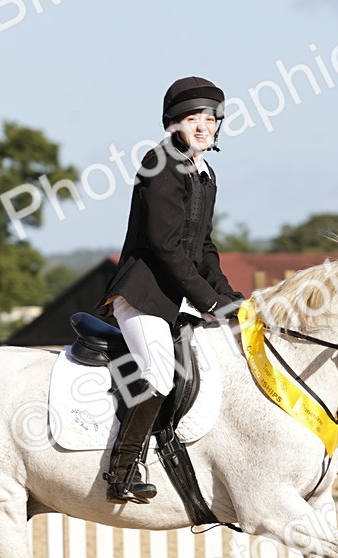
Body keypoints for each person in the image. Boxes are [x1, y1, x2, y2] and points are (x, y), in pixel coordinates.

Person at [100, 76, 244, 504]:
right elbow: (165, 246)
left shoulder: (205, 174)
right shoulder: (160, 163)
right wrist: (209, 300)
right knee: (159, 373)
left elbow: (203, 248)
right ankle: (122, 472)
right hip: (143, 295)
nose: (203, 126)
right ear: (173, 123)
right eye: (192, 118)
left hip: (175, 297)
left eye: (210, 119)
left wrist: (229, 297)